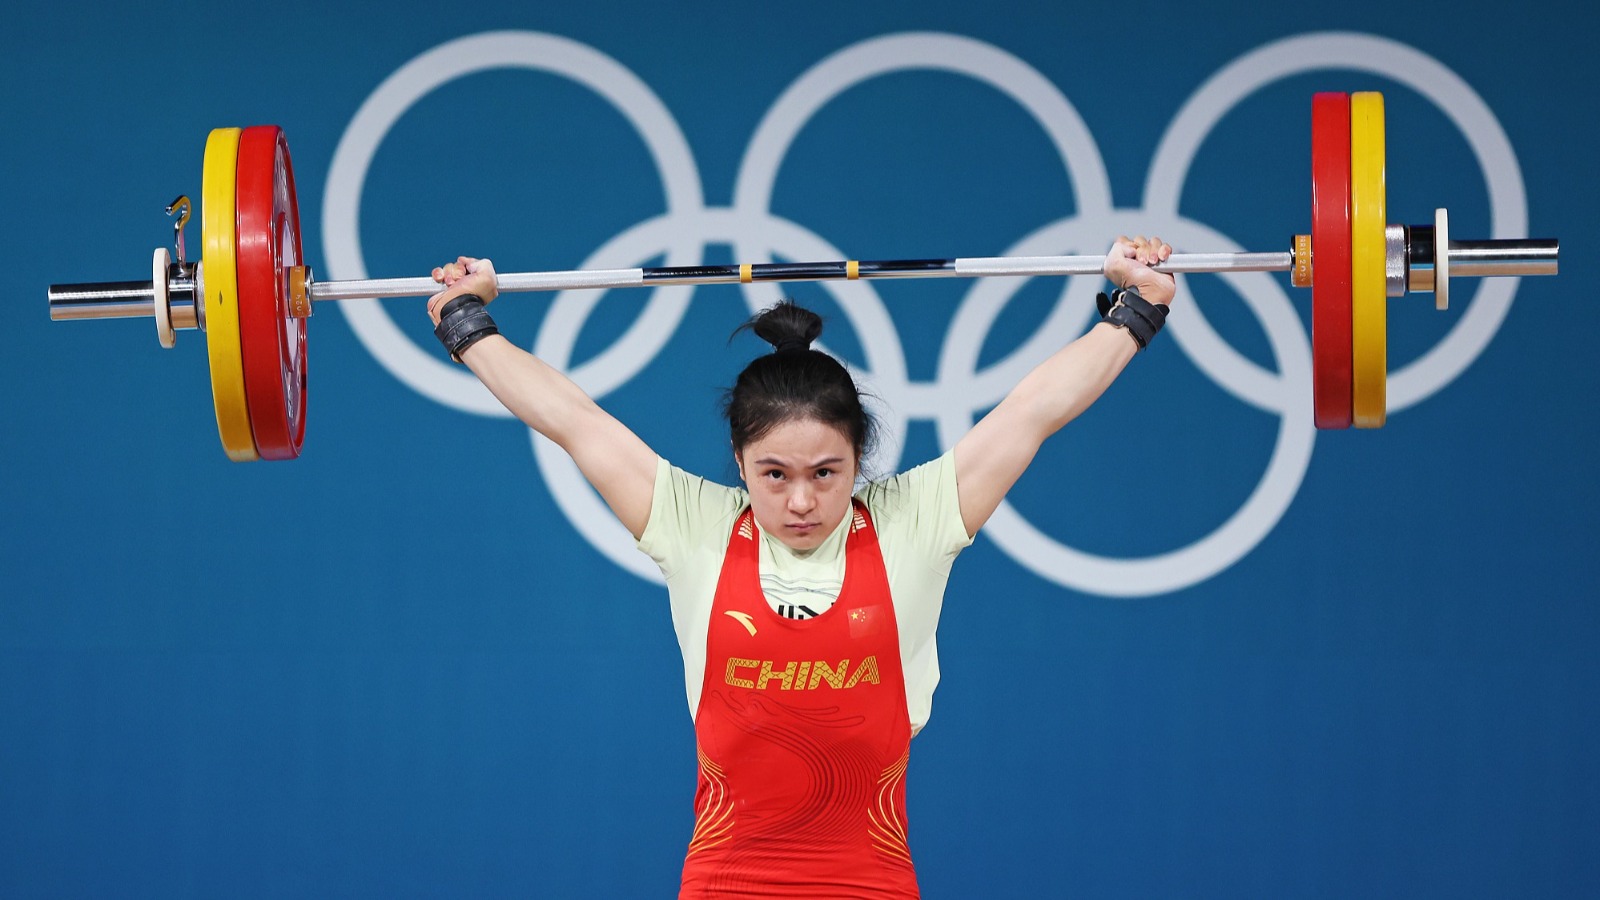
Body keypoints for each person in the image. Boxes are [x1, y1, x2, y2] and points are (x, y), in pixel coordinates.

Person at [426, 236, 1175, 899]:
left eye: (827, 471)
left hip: (870, 882)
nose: (802, 500)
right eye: (774, 474)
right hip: (726, 884)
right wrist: (467, 321)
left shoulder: (912, 521)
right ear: (739, 465)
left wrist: (1135, 310)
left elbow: (1032, 410)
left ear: (860, 458)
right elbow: (571, 419)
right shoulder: (697, 527)